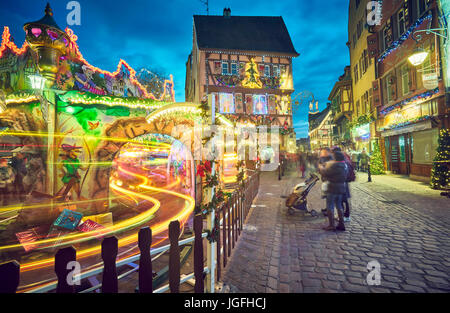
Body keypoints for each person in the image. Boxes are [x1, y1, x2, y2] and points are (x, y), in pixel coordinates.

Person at [319, 150, 348, 231]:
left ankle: (331, 225)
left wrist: (321, 168)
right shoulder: (344, 165)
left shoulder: (334, 166)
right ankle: (341, 224)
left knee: (330, 206)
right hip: (341, 187)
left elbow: (326, 173)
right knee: (339, 206)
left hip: (332, 187)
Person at [332, 146, 355, 222]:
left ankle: (344, 216)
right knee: (344, 200)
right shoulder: (345, 156)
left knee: (341, 200)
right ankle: (345, 215)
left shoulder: (341, 159)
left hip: (342, 183)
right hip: (344, 182)